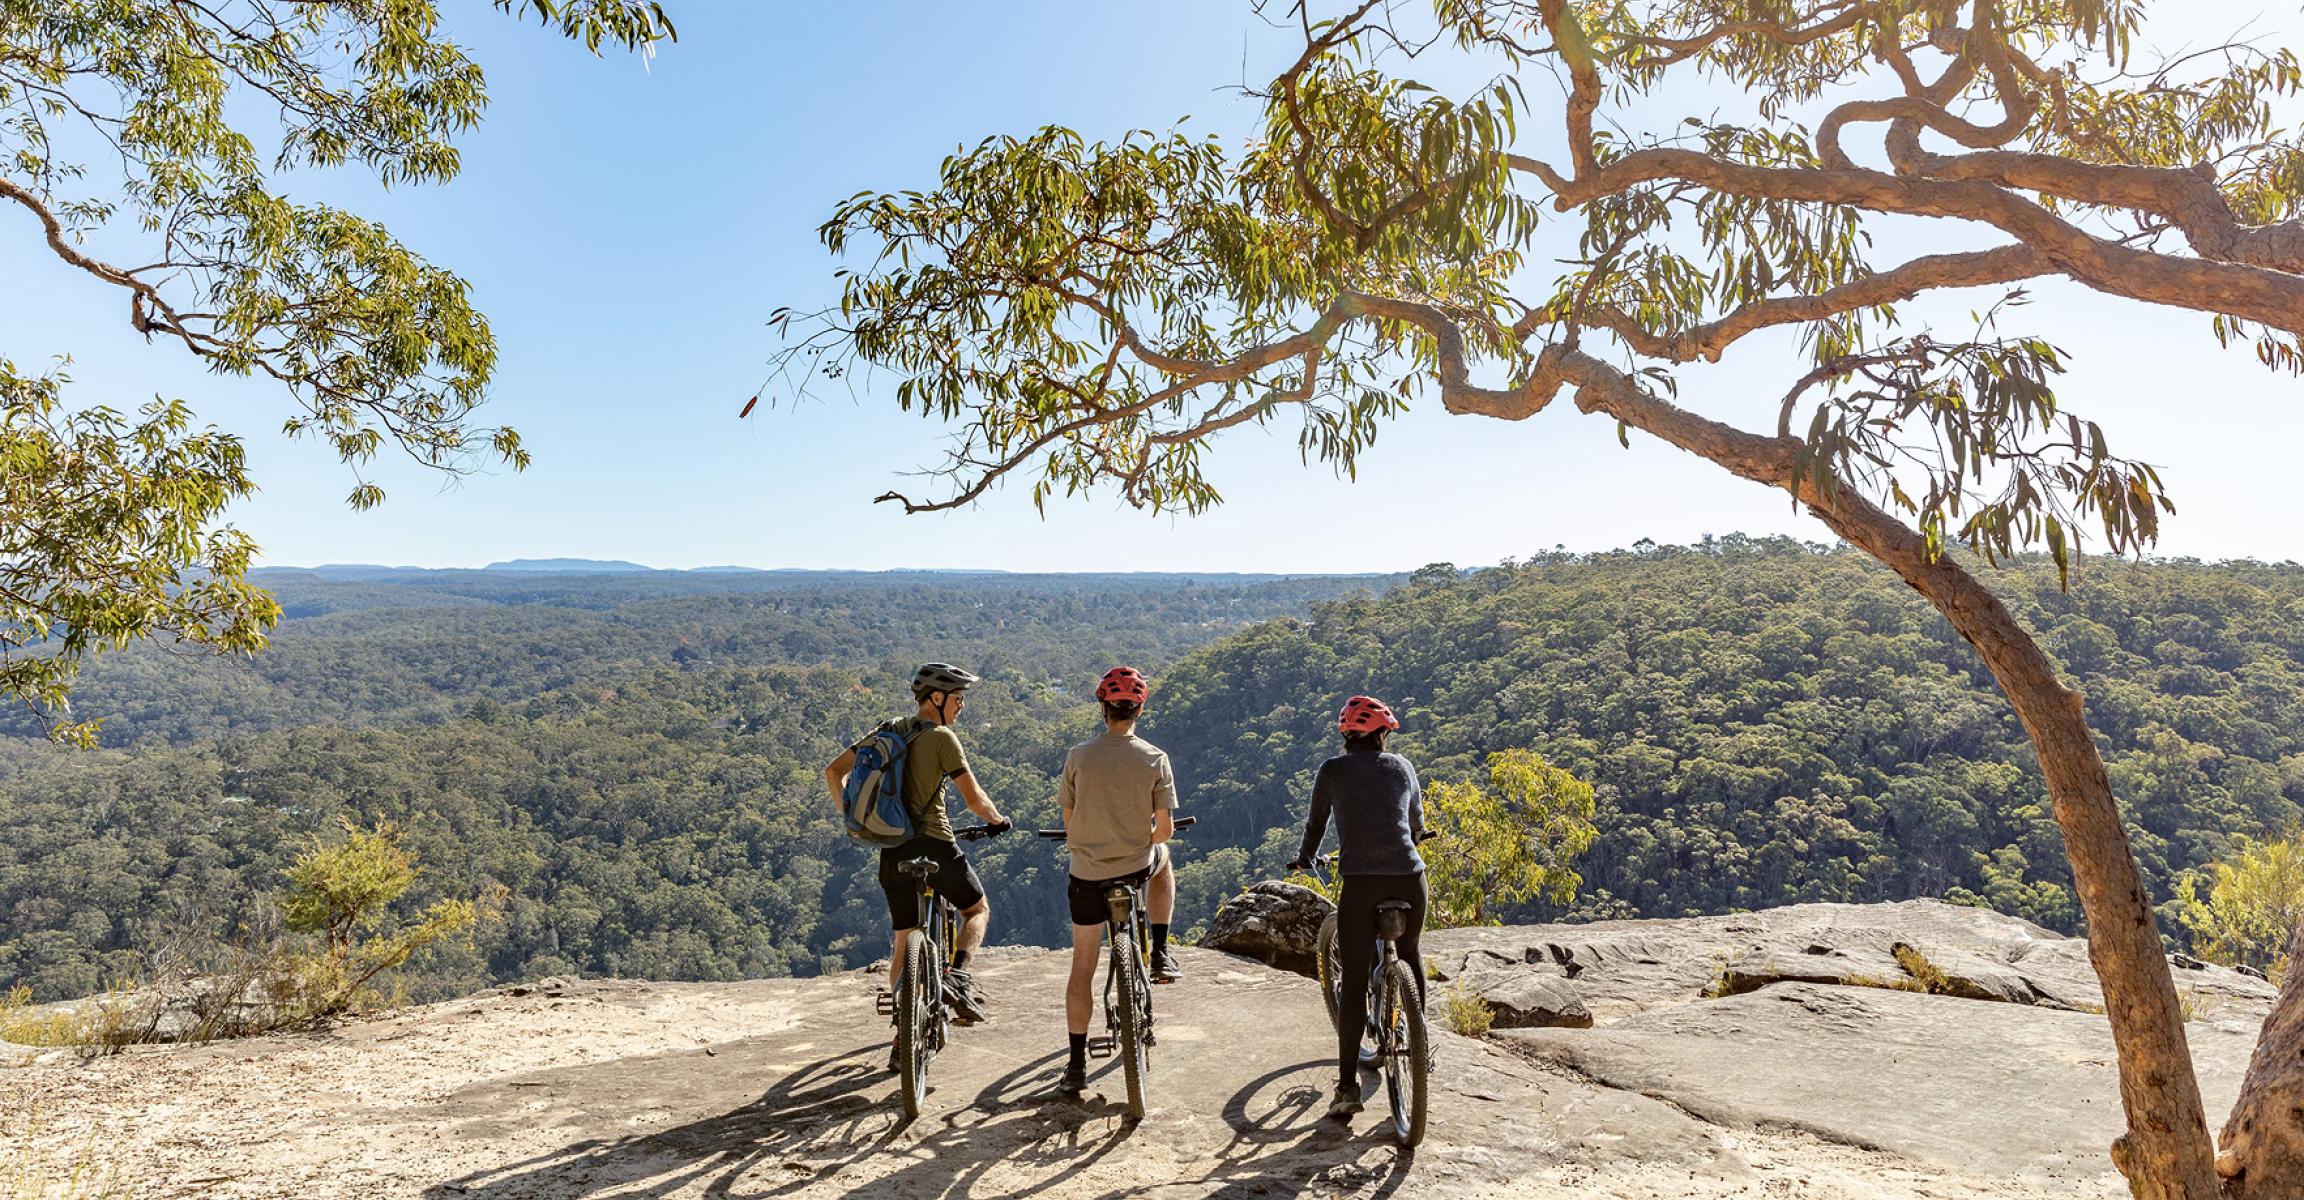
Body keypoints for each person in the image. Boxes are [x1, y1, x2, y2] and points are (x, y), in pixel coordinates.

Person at [823, 662, 1011, 1048]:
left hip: (892, 849)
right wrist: (997, 820)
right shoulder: (943, 738)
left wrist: (850, 816)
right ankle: (957, 977)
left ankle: (901, 1033)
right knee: (976, 909)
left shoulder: (888, 730)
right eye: (958, 699)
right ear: (937, 699)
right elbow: (974, 800)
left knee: (904, 939)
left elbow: (833, 771)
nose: (962, 707)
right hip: (934, 845)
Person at [1286, 694, 1427, 1123]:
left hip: (1360, 884)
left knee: (1351, 981)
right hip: (1409, 877)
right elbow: (1416, 822)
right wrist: (1413, 836)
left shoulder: (1332, 770)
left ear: (1346, 737)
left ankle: (1347, 1089)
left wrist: (1305, 858)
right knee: (1411, 953)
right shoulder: (1402, 767)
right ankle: (1419, 1048)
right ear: (1383, 735)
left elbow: (1316, 825)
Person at [1054, 665, 1180, 1096]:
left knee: (1082, 966)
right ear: (1139, 709)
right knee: (1164, 860)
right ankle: (1160, 950)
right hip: (1135, 865)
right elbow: (1162, 831)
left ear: (1103, 709)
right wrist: (1137, 836)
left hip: (1086, 874)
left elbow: (1069, 824)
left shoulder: (1079, 756)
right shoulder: (1154, 758)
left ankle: (1075, 1065)